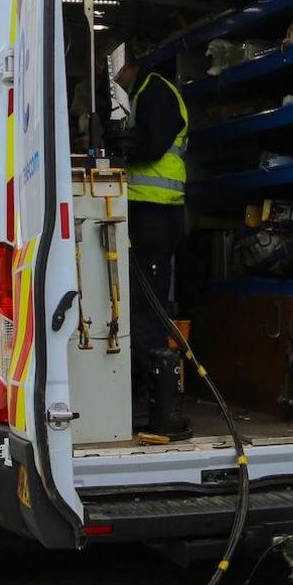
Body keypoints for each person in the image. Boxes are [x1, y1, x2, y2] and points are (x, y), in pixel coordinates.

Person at [116, 51, 190, 435]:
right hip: (146, 218)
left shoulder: (156, 92)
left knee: (147, 312)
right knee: (137, 309)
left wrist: (119, 142)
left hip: (156, 217)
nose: (115, 78)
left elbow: (151, 145)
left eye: (116, 70)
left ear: (130, 64)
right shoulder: (145, 92)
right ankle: (144, 395)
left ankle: (153, 401)